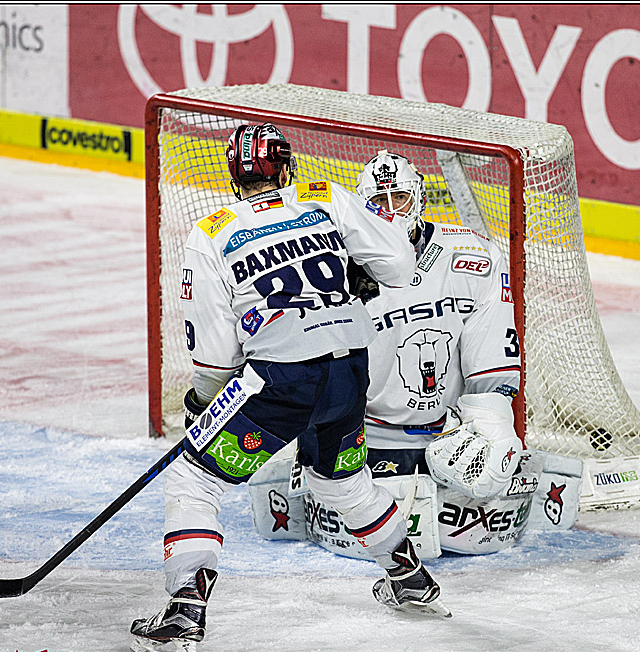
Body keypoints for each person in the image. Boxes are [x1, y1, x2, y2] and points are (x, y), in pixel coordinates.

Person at [129, 125, 445, 652]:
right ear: (288, 167)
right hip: (349, 370)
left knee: (193, 476)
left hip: (279, 380)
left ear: (234, 176)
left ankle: (183, 614)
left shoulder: (211, 232)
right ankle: (408, 575)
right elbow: (399, 265)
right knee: (339, 480)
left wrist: (205, 402)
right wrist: (354, 267)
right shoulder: (325, 196)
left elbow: (213, 353)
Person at [247, 150, 583, 559]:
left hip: (450, 437)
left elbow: (492, 348)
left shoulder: (473, 256)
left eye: (400, 198)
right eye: (378, 201)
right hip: (363, 438)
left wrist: (493, 424)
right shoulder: (334, 266)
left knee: (474, 526)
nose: (391, 211)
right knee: (380, 526)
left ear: (419, 198)